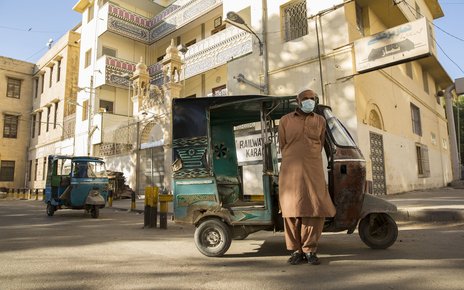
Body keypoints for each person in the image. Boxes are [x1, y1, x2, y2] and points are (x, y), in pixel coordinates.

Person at [278, 89, 336, 265]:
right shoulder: (285, 120)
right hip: (290, 172)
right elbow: (282, 144)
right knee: (291, 210)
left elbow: (319, 144)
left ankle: (310, 250)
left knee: (315, 208)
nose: (309, 101)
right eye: (305, 99)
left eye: (312, 99)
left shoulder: (320, 120)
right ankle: (296, 251)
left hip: (313, 169)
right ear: (298, 101)